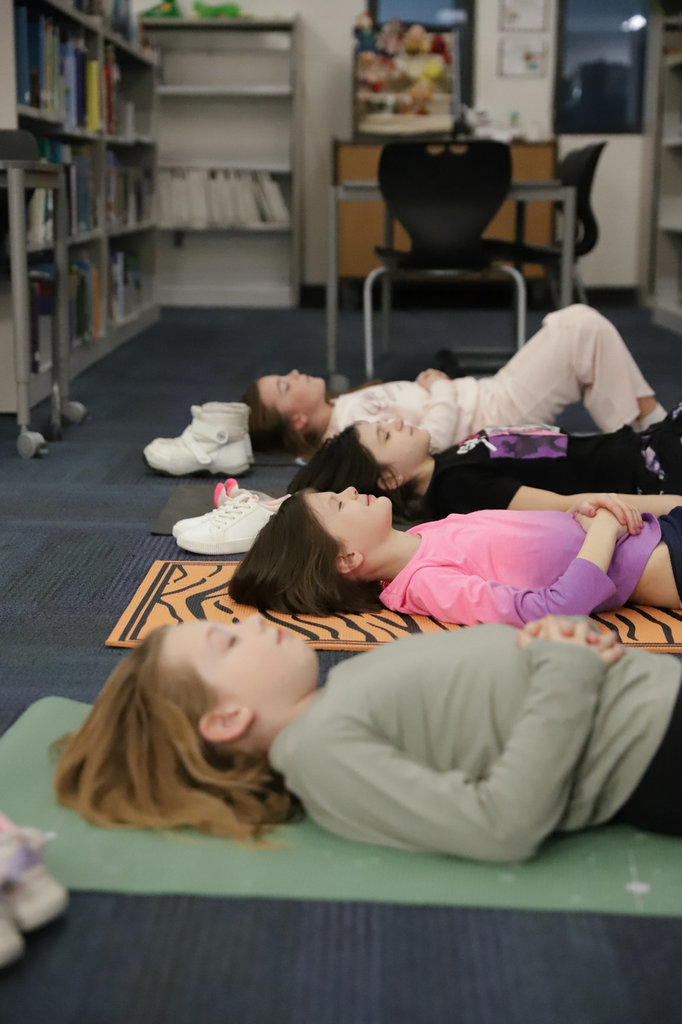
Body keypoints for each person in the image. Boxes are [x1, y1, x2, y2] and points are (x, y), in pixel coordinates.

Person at [54, 613, 682, 862]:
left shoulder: (337, 697)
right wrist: (567, 671)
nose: (250, 620)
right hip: (657, 743)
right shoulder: (317, 753)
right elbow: (502, 828)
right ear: (225, 719)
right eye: (229, 640)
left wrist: (557, 639)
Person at [228, 487, 682, 627]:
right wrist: (602, 531)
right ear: (346, 557)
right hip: (666, 561)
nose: (349, 490)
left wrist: (579, 513)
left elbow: (535, 545)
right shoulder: (427, 583)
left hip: (655, 530)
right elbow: (554, 611)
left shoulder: (422, 535)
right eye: (338, 504)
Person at [245, 306, 666, 457]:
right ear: (297, 422)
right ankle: (659, 435)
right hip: (493, 415)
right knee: (578, 327)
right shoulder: (351, 434)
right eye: (285, 386)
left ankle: (653, 438)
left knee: (579, 332)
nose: (294, 374)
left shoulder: (345, 405)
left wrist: (432, 386)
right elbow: (428, 446)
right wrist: (440, 387)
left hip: (486, 393)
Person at [288, 402, 682, 523]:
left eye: (384, 424)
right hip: (651, 473)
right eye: (386, 436)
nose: (395, 422)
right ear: (390, 478)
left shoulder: (447, 460)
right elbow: (571, 506)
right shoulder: (456, 486)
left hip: (644, 445)